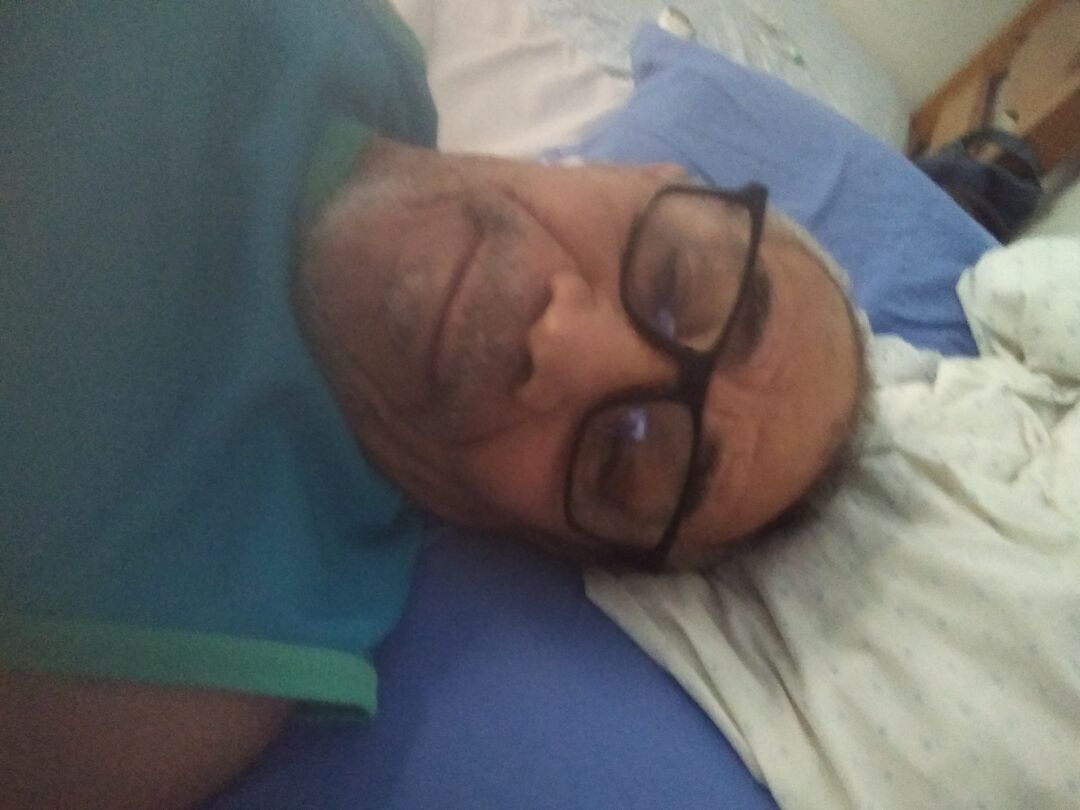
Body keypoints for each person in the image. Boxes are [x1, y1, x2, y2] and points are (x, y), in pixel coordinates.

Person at [0, 2, 862, 806]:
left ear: (540, 539)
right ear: (643, 175)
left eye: (626, 455)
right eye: (675, 279)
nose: (560, 342)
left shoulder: (191, 652)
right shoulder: (366, 50)